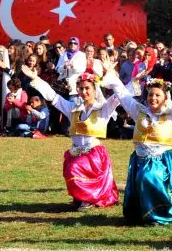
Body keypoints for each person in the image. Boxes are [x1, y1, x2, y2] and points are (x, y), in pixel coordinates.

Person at [101, 55, 172, 225]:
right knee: (142, 179)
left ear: (165, 98)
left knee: (149, 176)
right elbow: (123, 94)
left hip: (163, 161)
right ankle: (144, 213)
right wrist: (111, 74)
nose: (153, 98)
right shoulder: (138, 111)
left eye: (157, 95)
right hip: (140, 159)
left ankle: (158, 215)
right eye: (150, 95)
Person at [21, 64, 120, 210]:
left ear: (95, 90)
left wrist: (112, 76)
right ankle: (82, 197)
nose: (84, 91)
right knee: (70, 168)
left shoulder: (102, 109)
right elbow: (54, 97)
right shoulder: (73, 109)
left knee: (75, 168)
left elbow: (119, 96)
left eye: (88, 88)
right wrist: (36, 79)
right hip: (76, 151)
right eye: (81, 88)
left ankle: (87, 199)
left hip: (94, 154)